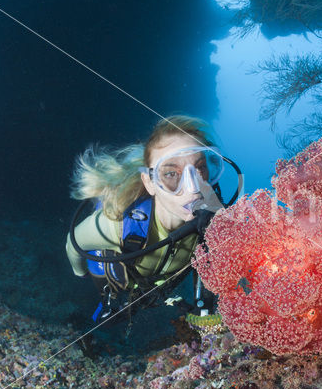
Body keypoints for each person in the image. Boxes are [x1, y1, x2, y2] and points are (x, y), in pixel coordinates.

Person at [65, 115, 228, 325]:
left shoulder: (217, 221)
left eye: (200, 168)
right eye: (171, 173)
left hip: (160, 285)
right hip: (122, 278)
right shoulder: (117, 224)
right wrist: (81, 274)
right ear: (150, 182)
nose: (194, 188)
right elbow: (73, 244)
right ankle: (108, 302)